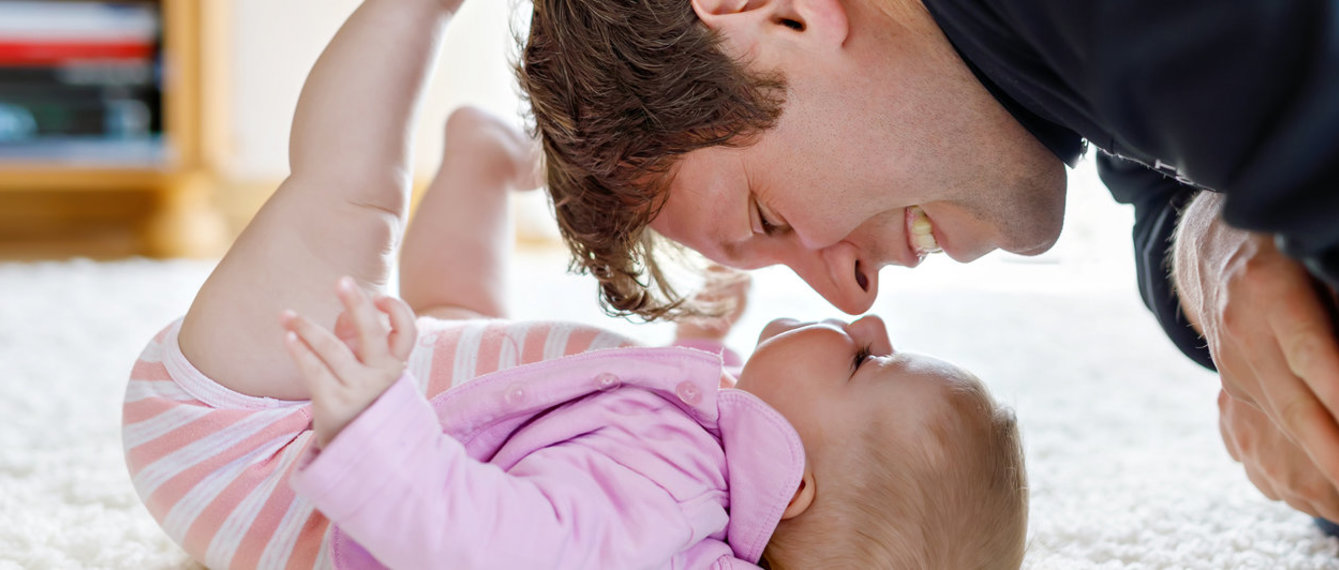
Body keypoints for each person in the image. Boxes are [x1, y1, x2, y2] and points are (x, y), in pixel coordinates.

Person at [119, 0, 1027, 566]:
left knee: (349, 207)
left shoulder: (652, 518)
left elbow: (475, 545)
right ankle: (476, 161)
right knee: (461, 326)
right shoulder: (694, 479)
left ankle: (415, 11)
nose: (870, 326)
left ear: (787, 483)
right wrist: (697, 351)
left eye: (871, 368)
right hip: (449, 413)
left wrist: (369, 421)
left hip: (250, 440)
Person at [517, 0, 1339, 523]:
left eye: (767, 218)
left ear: (778, 14)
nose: (847, 293)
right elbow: (1158, 187)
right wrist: (1214, 247)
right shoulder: (1047, 59)